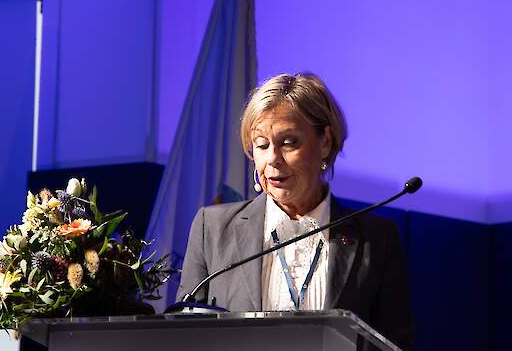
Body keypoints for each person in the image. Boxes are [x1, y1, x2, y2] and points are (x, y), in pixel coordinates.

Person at [177, 72, 415, 350]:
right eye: (261, 144)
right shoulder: (213, 229)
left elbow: (396, 344)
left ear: (325, 141)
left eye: (289, 142)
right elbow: (184, 336)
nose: (272, 159)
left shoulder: (376, 239)